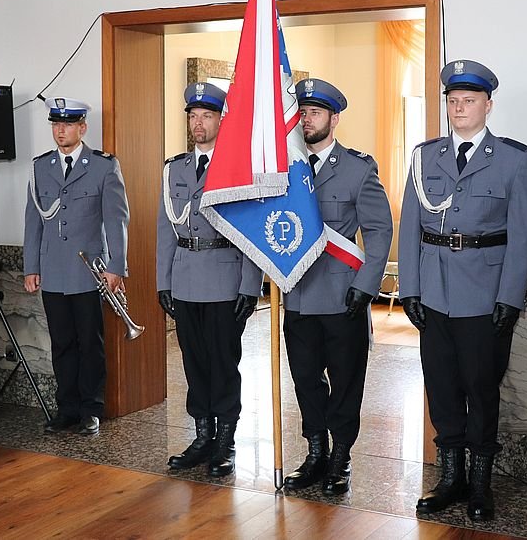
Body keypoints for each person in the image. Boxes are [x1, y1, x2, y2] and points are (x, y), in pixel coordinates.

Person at [399, 60, 527, 521]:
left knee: (481, 389)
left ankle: (480, 484)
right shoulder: (425, 158)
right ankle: (451, 477)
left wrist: (510, 298)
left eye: (469, 101)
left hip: (484, 294)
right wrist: (410, 288)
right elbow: (412, 225)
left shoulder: (514, 159)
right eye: (453, 101)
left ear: (488, 106)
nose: (459, 108)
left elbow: (524, 234)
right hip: (434, 293)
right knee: (441, 388)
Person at [282, 78, 392, 496]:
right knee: (305, 379)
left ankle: (340, 456)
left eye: (315, 112)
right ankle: (315, 452)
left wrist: (366, 286)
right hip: (297, 293)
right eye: (303, 112)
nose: (307, 119)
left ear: (334, 119)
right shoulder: (286, 167)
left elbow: (379, 231)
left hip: (343, 294)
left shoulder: (358, 168)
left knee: (345, 380)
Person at [156, 83, 262, 478]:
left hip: (224, 277)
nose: (198, 123)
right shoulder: (175, 169)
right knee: (194, 362)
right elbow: (165, 227)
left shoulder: (238, 167)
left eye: (206, 116)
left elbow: (251, 229)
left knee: (223, 363)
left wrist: (250, 285)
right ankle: (202, 435)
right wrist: (162, 281)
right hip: (185, 277)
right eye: (193, 116)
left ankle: (225, 440)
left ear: (221, 120)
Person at [24, 97, 129, 437]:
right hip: (53, 269)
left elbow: (116, 220)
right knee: (62, 343)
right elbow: (34, 221)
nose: (60, 130)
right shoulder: (41, 167)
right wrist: (30, 266)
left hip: (89, 272)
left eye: (67, 124)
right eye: (56, 124)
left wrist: (117, 266)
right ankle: (66, 408)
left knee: (91, 343)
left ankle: (91, 409)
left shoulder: (102, 166)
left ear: (82, 128)